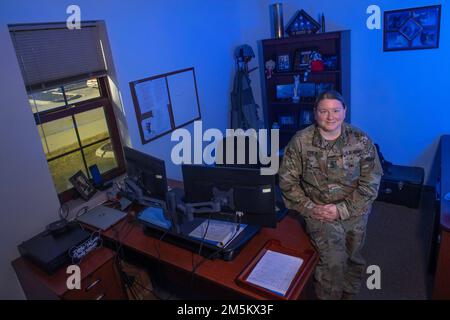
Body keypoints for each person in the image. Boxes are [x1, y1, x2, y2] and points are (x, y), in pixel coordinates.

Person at [278, 90, 383, 300]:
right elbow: (287, 182)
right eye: (323, 111)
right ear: (315, 113)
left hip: (355, 210)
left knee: (353, 257)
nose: (330, 117)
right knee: (333, 261)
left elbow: (371, 183)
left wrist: (342, 209)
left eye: (335, 110)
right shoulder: (301, 141)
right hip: (319, 211)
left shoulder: (361, 140)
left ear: (345, 111)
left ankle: (349, 293)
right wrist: (310, 207)